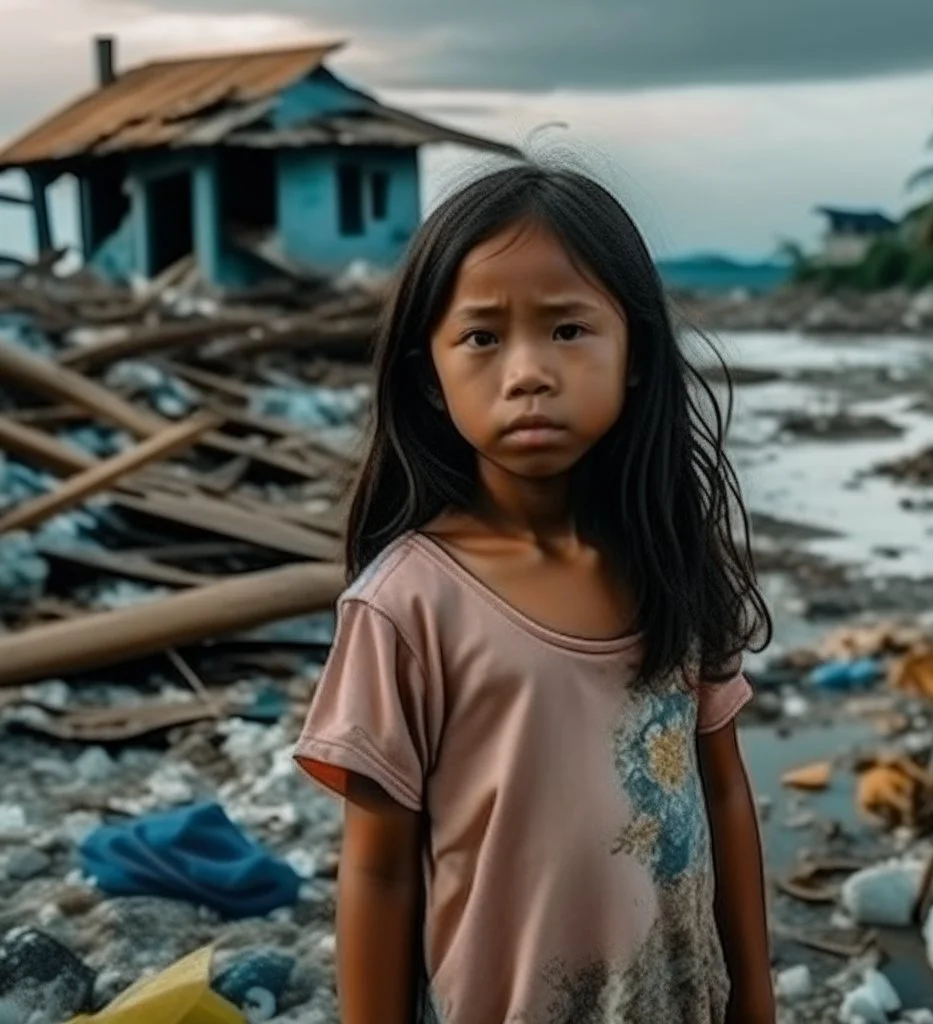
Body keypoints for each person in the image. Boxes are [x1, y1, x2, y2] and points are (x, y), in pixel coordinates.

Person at [293, 162, 775, 1024]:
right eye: (482, 337)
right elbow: (378, 867)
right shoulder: (407, 606)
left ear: (633, 354)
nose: (528, 373)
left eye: (567, 329)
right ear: (429, 378)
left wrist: (757, 992)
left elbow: (726, 789)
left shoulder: (673, 561)